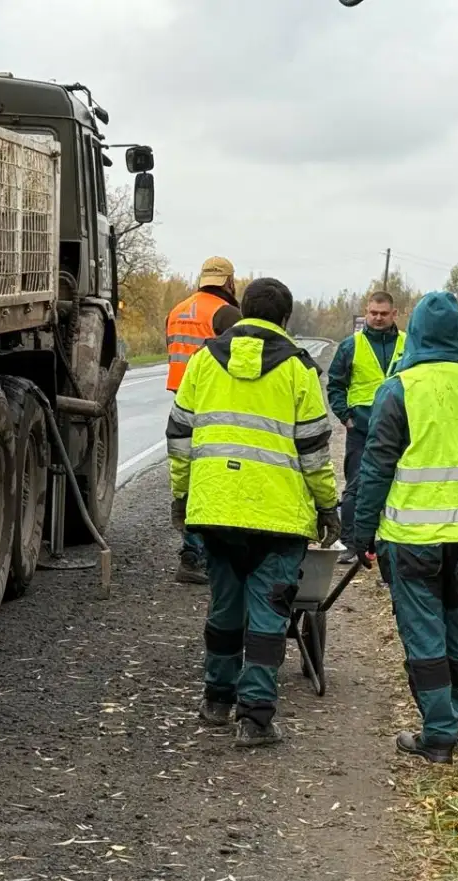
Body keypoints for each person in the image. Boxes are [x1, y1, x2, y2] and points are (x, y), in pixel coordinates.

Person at [165, 277, 341, 747]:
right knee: (268, 613)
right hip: (278, 518)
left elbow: (179, 438)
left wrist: (183, 497)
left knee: (225, 604)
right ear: (286, 319)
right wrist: (328, 507)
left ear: (243, 312)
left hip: (215, 511)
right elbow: (314, 454)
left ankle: (216, 701)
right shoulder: (299, 371)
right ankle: (256, 719)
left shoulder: (204, 361)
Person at [353, 290, 458, 764]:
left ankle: (437, 735)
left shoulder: (398, 390)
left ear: (415, 332)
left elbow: (375, 468)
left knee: (425, 636)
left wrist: (363, 534)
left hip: (412, 542)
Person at [165, 256, 243, 585]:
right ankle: (196, 555)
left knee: (192, 473)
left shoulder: (177, 310)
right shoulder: (227, 314)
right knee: (211, 479)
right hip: (212, 402)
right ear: (228, 282)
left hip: (182, 399)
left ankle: (193, 553)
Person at [326, 291, 407, 565]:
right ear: (366, 313)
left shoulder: (409, 344)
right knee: (356, 488)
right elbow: (335, 384)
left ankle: (387, 544)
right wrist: (346, 417)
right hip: (361, 430)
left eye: (384, 313)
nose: (378, 318)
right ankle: (350, 543)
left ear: (394, 314)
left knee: (399, 486)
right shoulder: (351, 345)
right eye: (373, 313)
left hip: (401, 430)